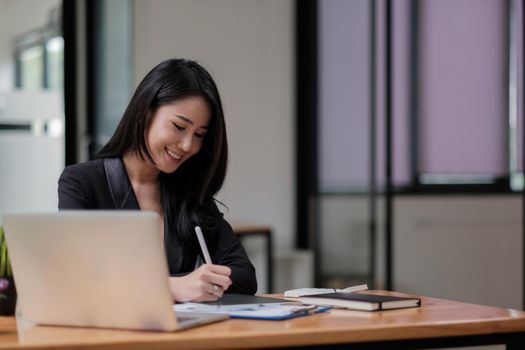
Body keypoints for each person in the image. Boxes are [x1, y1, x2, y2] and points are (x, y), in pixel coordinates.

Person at [58, 58, 257, 302]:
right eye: (178, 126)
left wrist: (200, 283)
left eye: (199, 135)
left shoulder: (188, 192)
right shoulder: (82, 182)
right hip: (109, 334)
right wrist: (173, 287)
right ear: (145, 111)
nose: (188, 146)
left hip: (180, 335)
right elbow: (77, 277)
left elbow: (244, 276)